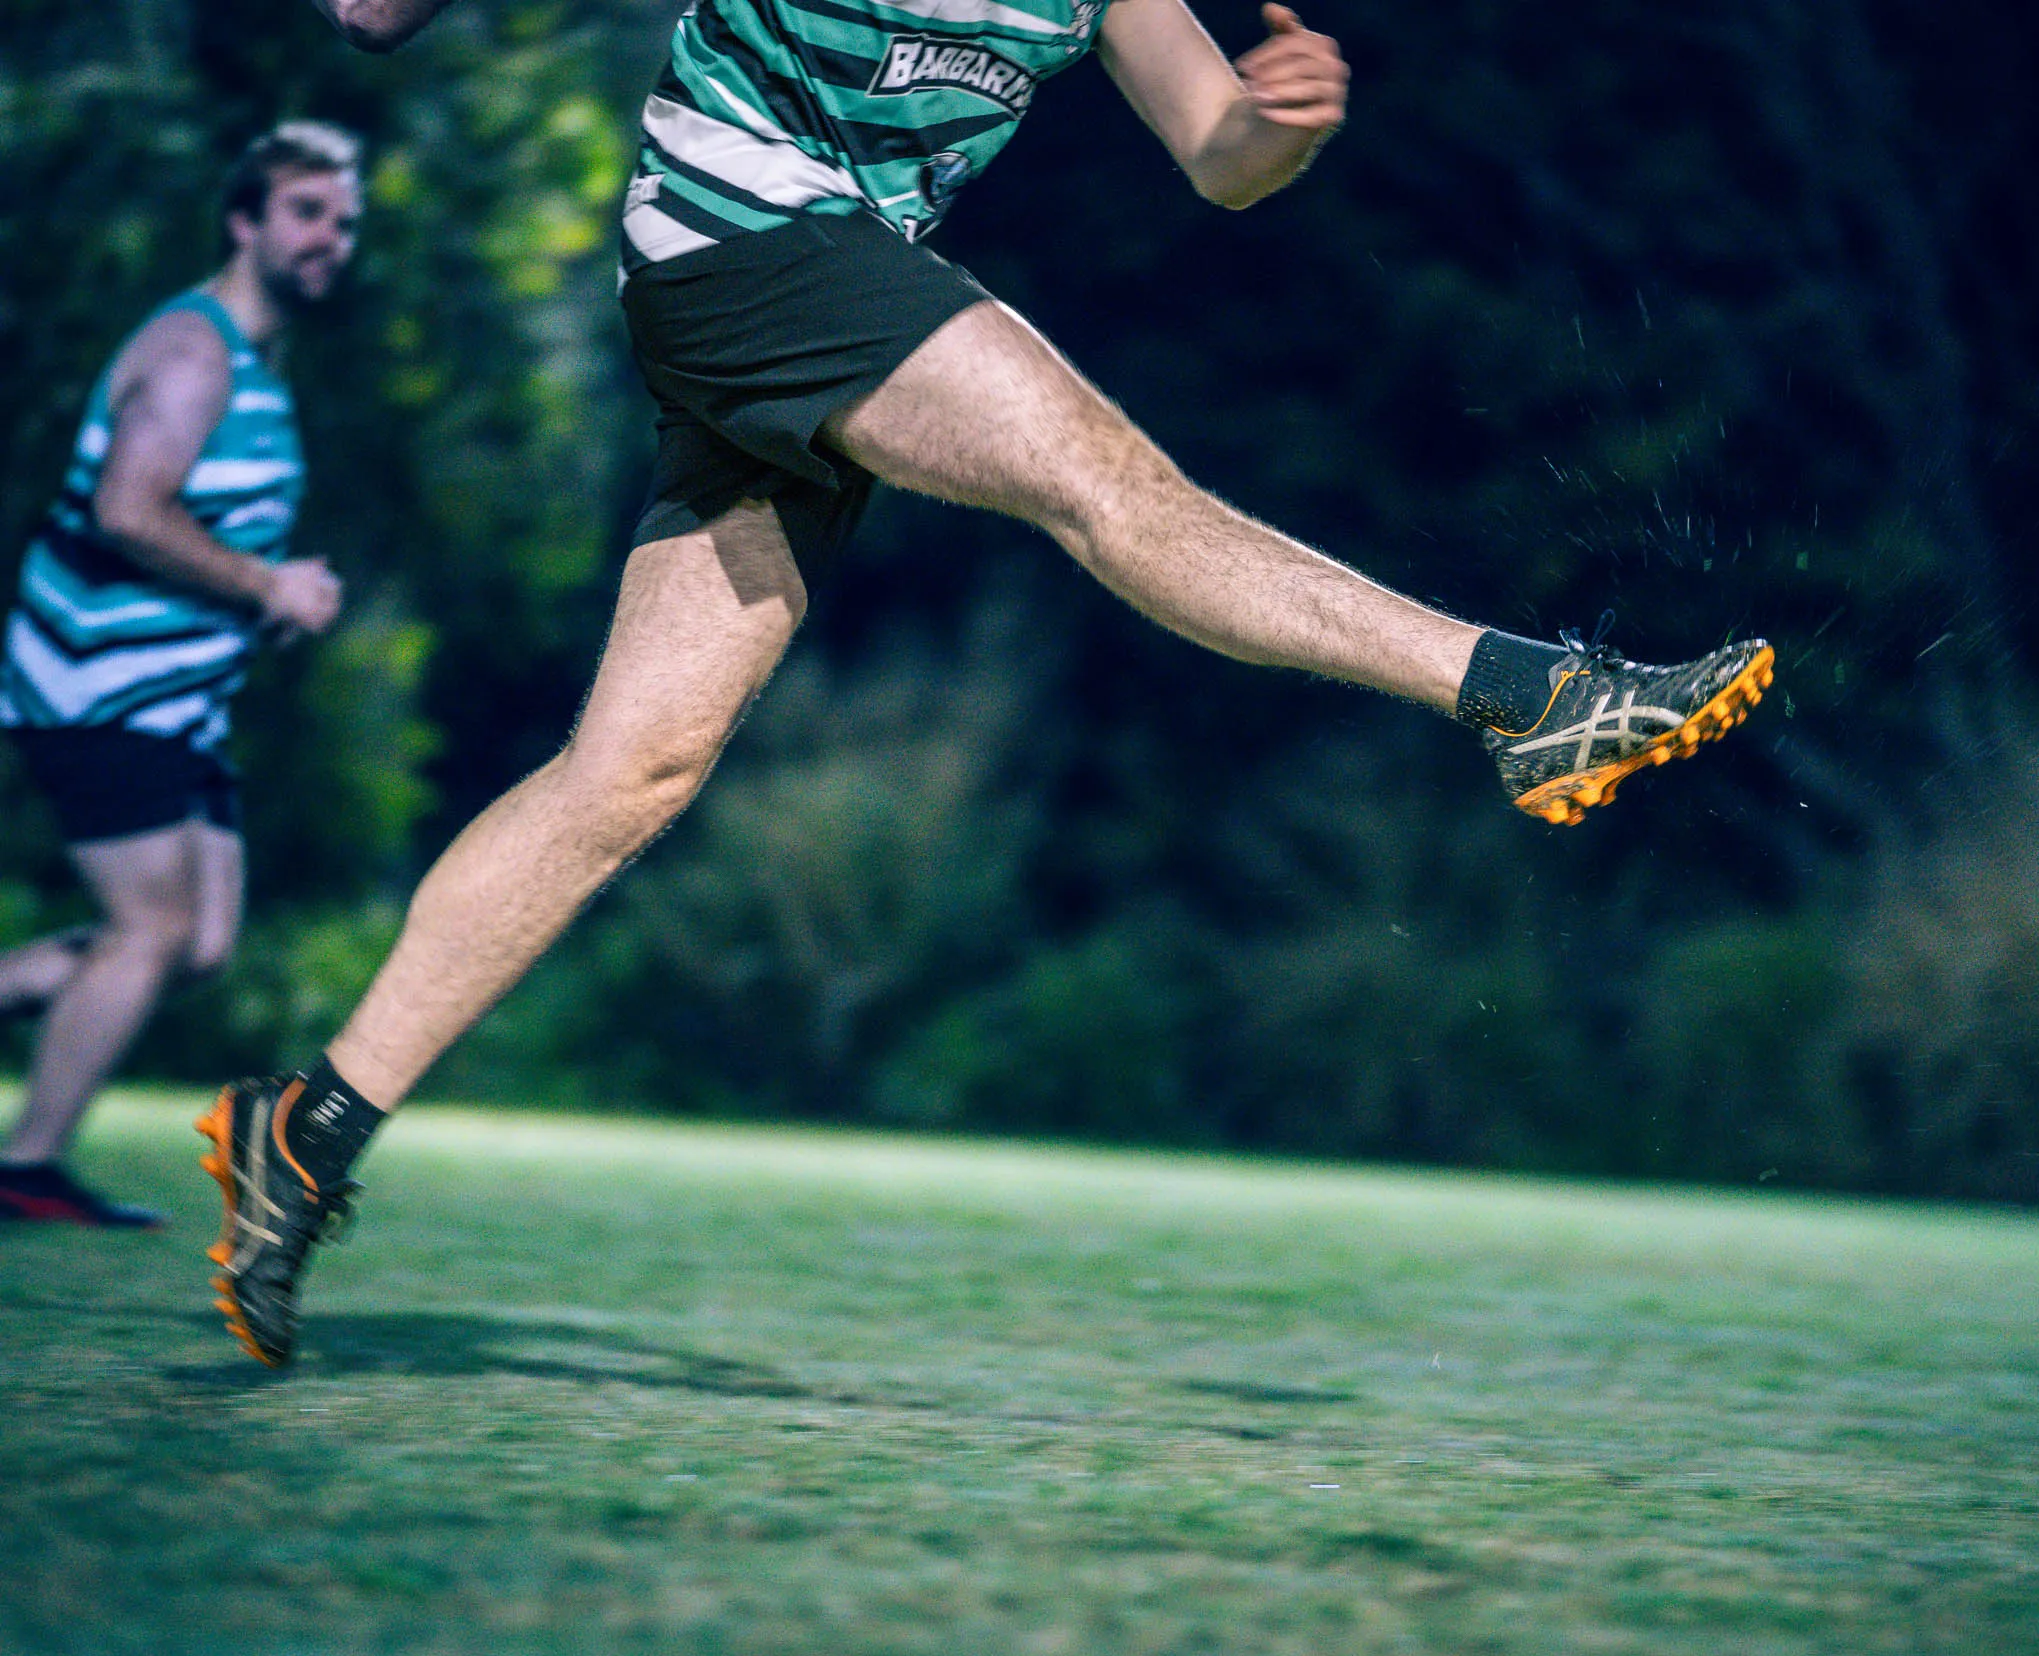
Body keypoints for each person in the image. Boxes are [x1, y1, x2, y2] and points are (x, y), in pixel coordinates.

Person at [198, 0, 1775, 1365]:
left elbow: (1218, 154)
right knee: (1108, 483)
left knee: (630, 773)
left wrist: (1281, 127)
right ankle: (1529, 696)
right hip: (742, 239)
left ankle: (305, 1129)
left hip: (806, 274)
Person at [0, 122, 360, 1228]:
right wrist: (267, 585)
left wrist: (265, 599)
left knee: (194, 945)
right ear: (244, 220)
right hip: (98, 685)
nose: (330, 239)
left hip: (174, 701)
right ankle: (27, 1165)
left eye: (345, 222)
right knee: (149, 932)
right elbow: (126, 509)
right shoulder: (195, 352)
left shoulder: (254, 359)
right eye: (306, 213)